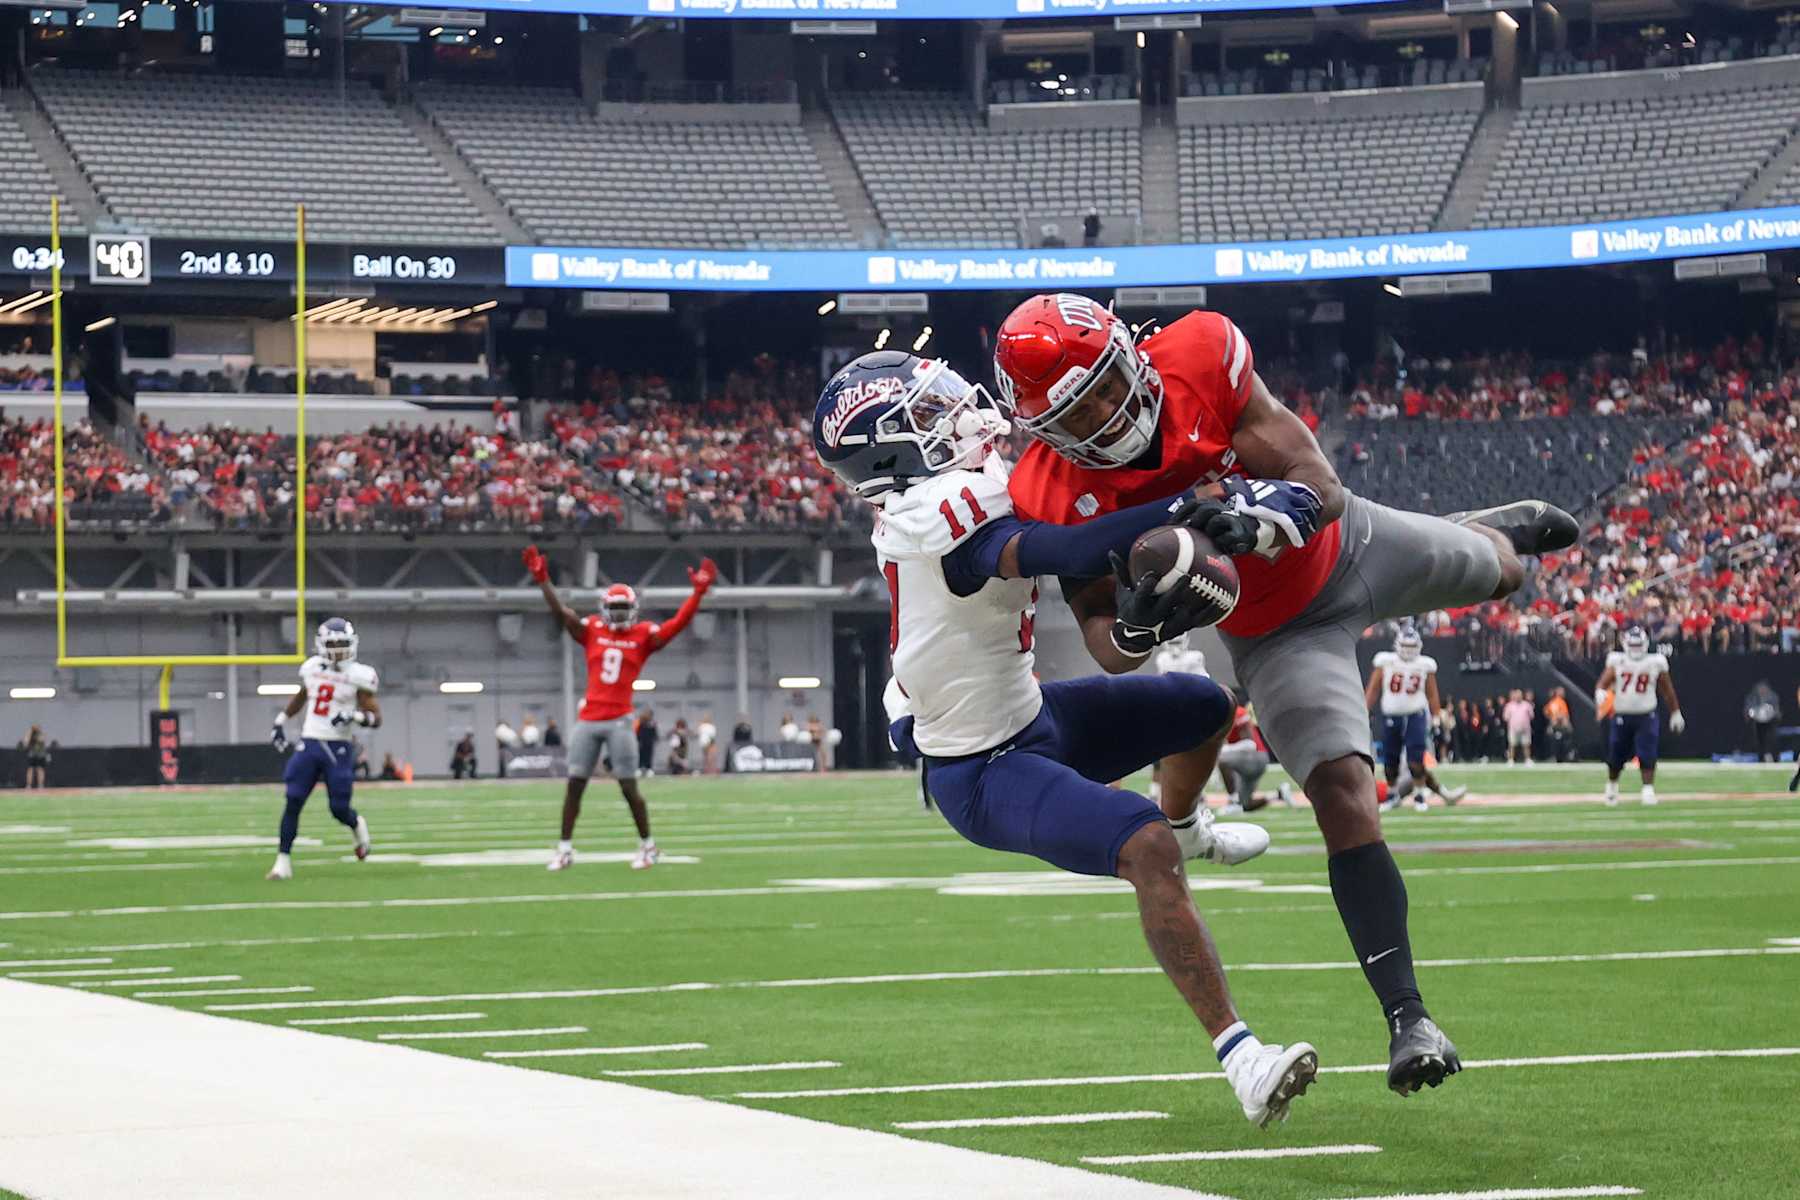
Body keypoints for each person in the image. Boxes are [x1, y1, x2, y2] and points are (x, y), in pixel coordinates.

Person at [994, 291, 1577, 1096]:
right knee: (1343, 790)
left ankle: (1484, 528)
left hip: (1352, 545)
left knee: (1506, 571)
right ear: (1045, 430)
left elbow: (1320, 482)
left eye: (1105, 382)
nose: (1104, 409)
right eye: (1078, 407)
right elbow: (1104, 639)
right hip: (1277, 634)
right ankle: (1410, 1017)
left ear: (1131, 352)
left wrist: (1269, 521)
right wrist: (1134, 625)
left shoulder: (1200, 356)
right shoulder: (1052, 488)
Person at [814, 349, 1310, 1128]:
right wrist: (1204, 496)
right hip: (982, 769)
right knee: (1144, 849)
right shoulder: (932, 515)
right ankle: (1242, 1057)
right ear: (893, 450)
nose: (957, 411)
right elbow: (1072, 549)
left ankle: (1189, 819)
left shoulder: (951, 494)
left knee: (1203, 705)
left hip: (1031, 714)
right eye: (928, 413)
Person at [524, 544, 716, 871]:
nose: (617, 613)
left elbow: (677, 624)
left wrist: (697, 594)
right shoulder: (593, 631)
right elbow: (562, 615)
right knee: (574, 785)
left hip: (619, 720)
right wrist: (543, 581)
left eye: (623, 607)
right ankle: (565, 849)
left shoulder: (643, 635)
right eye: (613, 607)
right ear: (604, 608)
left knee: (629, 787)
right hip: (589, 719)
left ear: (633, 608)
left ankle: (648, 845)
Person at [266, 617, 378, 880]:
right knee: (293, 799)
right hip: (311, 741)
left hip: (338, 747)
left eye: (343, 643)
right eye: (333, 643)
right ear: (321, 645)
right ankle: (283, 861)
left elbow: (376, 718)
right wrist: (280, 721)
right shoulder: (312, 668)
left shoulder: (359, 676)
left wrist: (354, 717)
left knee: (339, 808)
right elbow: (302, 696)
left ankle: (356, 825)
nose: (338, 649)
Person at [1366, 627, 1467, 812]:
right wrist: (1366, 709)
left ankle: (1420, 796)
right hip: (1392, 715)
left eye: (1412, 646)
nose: (1408, 650)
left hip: (1415, 714)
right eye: (1405, 645)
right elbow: (1373, 689)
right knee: (1390, 760)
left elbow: (1432, 693)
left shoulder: (1424, 664)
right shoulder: (1386, 661)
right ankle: (1393, 795)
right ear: (1397, 644)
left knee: (1416, 759)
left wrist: (1436, 717)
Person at [1595, 626, 1684, 806]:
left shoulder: (1655, 662)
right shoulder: (1617, 660)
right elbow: (1602, 683)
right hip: (1622, 714)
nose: (1635, 649)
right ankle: (1612, 786)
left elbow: (1667, 690)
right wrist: (1600, 692)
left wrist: (1675, 712)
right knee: (1616, 754)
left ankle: (1648, 790)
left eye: (1638, 645)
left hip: (1646, 715)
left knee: (1648, 753)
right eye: (1632, 645)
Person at [1216, 699, 1293, 814]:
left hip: (1255, 757)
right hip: (1247, 760)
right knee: (1245, 805)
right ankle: (1278, 795)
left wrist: (1224, 751)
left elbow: (1250, 744)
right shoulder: (1219, 718)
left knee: (1222, 760)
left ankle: (1233, 800)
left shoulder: (1238, 713)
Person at [1744, 681, 1780, 763]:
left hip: (1770, 722)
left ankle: (1773, 756)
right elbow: (1748, 709)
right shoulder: (1752, 697)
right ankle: (1761, 757)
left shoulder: (1773, 696)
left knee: (1771, 738)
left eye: (1764, 688)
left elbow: (1776, 710)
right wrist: (1750, 714)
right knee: (1759, 740)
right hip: (1757, 723)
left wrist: (1773, 714)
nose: (1762, 690)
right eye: (1760, 688)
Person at [1501, 689, 1534, 766]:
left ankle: (1527, 760)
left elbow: (1531, 716)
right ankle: (1511, 760)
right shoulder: (1509, 705)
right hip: (1513, 729)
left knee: (1526, 744)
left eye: (1520, 695)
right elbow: (1506, 717)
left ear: (1522, 696)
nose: (1518, 697)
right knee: (1512, 744)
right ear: (1514, 696)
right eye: (1517, 695)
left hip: (1525, 729)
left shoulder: (1527, 705)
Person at [1543, 687, 1574, 763]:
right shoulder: (1557, 702)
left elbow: (1548, 713)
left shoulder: (1557, 702)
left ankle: (1562, 757)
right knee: (1557, 742)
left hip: (1558, 726)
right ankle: (1558, 757)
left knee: (1560, 742)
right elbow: (1561, 715)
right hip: (1558, 726)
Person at [20, 725, 49, 789]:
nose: (35, 729)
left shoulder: (41, 734)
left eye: (37, 728)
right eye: (34, 728)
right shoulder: (30, 735)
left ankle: (40, 785)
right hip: (32, 754)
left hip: (40, 754)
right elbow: (25, 743)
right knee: (30, 769)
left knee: (40, 769)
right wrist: (29, 733)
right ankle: (28, 785)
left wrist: (39, 732)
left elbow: (42, 740)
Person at [636, 708, 659, 777]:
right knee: (640, 756)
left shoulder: (652, 723)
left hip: (649, 743)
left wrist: (655, 738)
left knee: (649, 756)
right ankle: (639, 769)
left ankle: (649, 769)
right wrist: (638, 740)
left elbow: (654, 733)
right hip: (641, 742)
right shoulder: (641, 722)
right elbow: (638, 733)